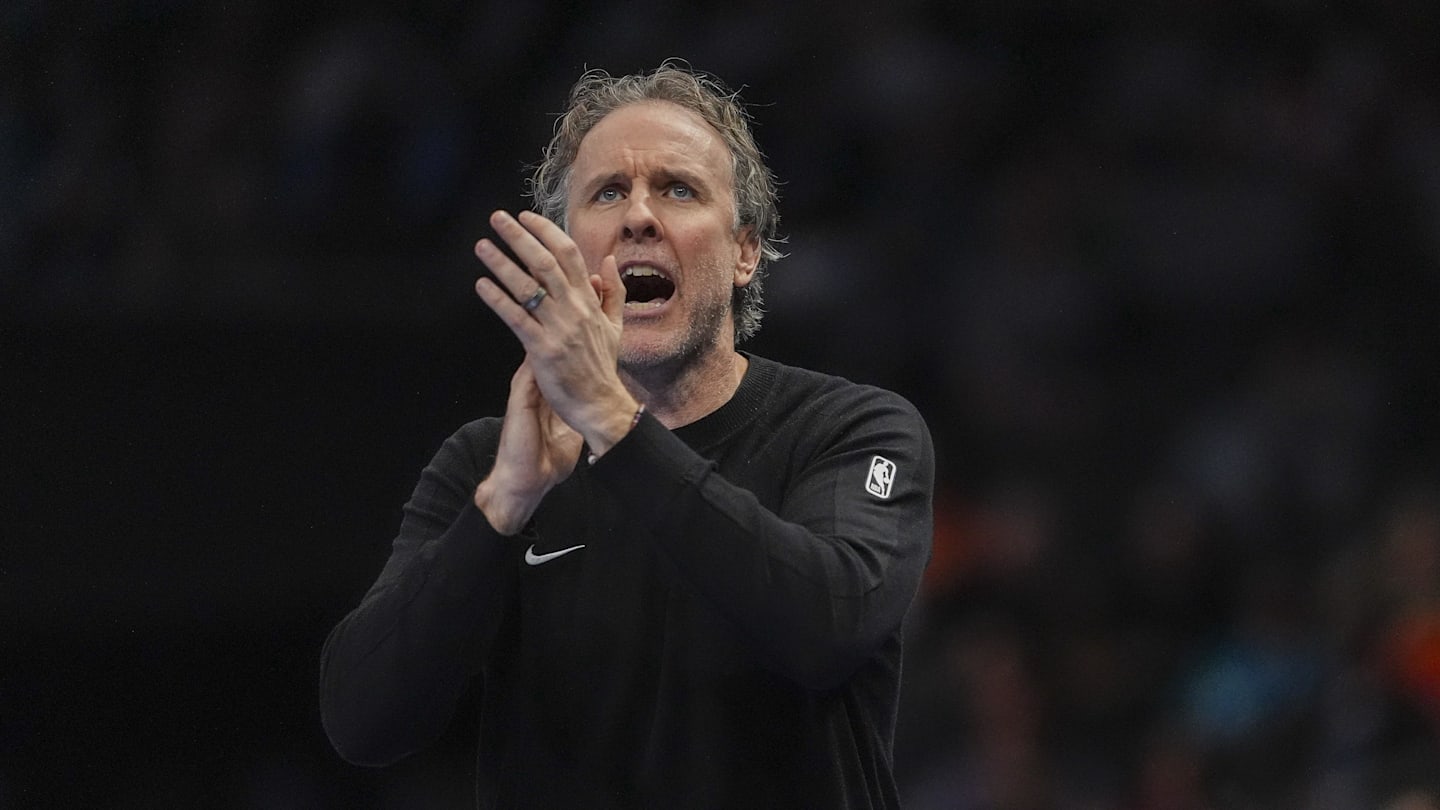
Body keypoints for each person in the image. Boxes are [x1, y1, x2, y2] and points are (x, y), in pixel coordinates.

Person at [319, 60, 934, 808]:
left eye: (677, 189)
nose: (639, 216)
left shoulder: (850, 430)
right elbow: (363, 722)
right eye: (608, 192)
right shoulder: (489, 464)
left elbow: (828, 625)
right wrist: (504, 508)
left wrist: (612, 422)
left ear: (745, 252)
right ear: (569, 256)